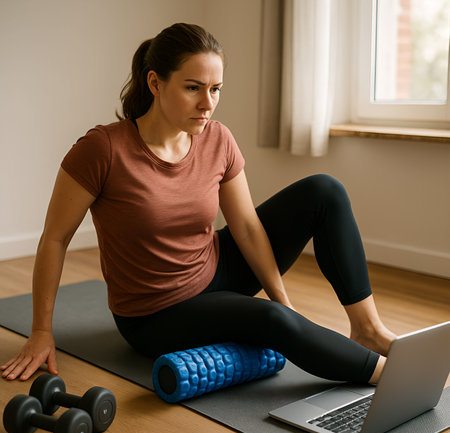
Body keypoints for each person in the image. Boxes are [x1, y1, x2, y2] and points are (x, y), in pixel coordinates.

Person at [1, 23, 395, 385]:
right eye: (193, 88)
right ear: (155, 82)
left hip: (215, 268)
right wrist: (40, 332)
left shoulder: (217, 138)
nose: (207, 104)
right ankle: (387, 375)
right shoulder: (102, 149)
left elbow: (246, 227)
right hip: (156, 315)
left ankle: (368, 330)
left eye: (216, 89)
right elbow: (55, 238)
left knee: (324, 190)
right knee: (272, 321)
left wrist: (284, 302)